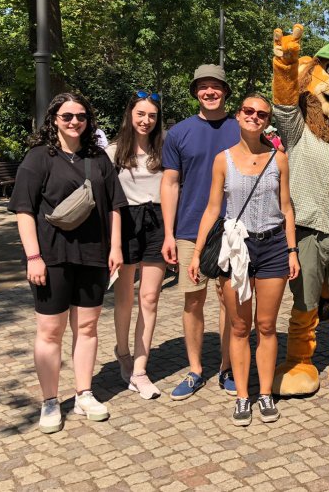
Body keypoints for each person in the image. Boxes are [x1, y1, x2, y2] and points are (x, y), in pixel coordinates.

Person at [8, 93, 126, 434]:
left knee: (87, 327)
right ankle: (49, 401)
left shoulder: (98, 158)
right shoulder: (38, 158)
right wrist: (33, 256)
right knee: (50, 331)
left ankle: (84, 393)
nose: (75, 122)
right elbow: (23, 210)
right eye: (67, 116)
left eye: (81, 116)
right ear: (54, 119)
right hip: (51, 257)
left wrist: (115, 247)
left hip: (93, 256)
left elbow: (115, 205)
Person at [189, 94, 300, 426]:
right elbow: (212, 208)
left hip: (273, 246)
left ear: (268, 121)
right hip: (236, 248)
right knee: (239, 327)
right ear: (238, 116)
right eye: (249, 111)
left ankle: (264, 393)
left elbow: (287, 208)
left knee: (266, 326)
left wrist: (292, 250)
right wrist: (196, 253)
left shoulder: (278, 158)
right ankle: (242, 396)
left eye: (262, 114)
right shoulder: (223, 160)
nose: (255, 117)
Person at [161, 64, 240, 400]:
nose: (210, 92)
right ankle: (195, 370)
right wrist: (168, 233)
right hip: (191, 229)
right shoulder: (178, 133)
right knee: (193, 301)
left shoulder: (242, 129)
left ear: (225, 91)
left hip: (235, 229)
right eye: (203, 87)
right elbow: (169, 182)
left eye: (216, 86)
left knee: (230, 302)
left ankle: (226, 367)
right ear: (195, 91)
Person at [106, 90, 167, 400]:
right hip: (126, 222)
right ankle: (122, 352)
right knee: (125, 297)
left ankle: (141, 369)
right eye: (141, 114)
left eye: (152, 116)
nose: (146, 120)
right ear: (130, 115)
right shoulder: (114, 152)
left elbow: (173, 188)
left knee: (150, 297)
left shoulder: (164, 150)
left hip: (157, 221)